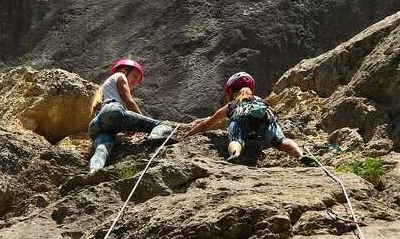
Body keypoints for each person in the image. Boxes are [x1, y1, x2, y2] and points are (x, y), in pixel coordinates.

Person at [185, 71, 315, 165]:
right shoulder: (259, 100)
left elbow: (204, 126)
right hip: (266, 117)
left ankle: (235, 154)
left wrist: (186, 136)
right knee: (280, 140)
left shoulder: (231, 105)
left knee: (237, 139)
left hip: (240, 116)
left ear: (230, 92)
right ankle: (301, 155)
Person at [87, 58, 173, 173]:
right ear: (124, 70)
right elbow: (129, 102)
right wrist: (143, 120)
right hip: (111, 111)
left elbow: (109, 118)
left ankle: (94, 170)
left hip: (96, 126)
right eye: (135, 76)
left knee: (102, 149)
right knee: (161, 125)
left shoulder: (106, 91)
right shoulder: (120, 76)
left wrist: (126, 125)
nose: (136, 82)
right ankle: (156, 137)